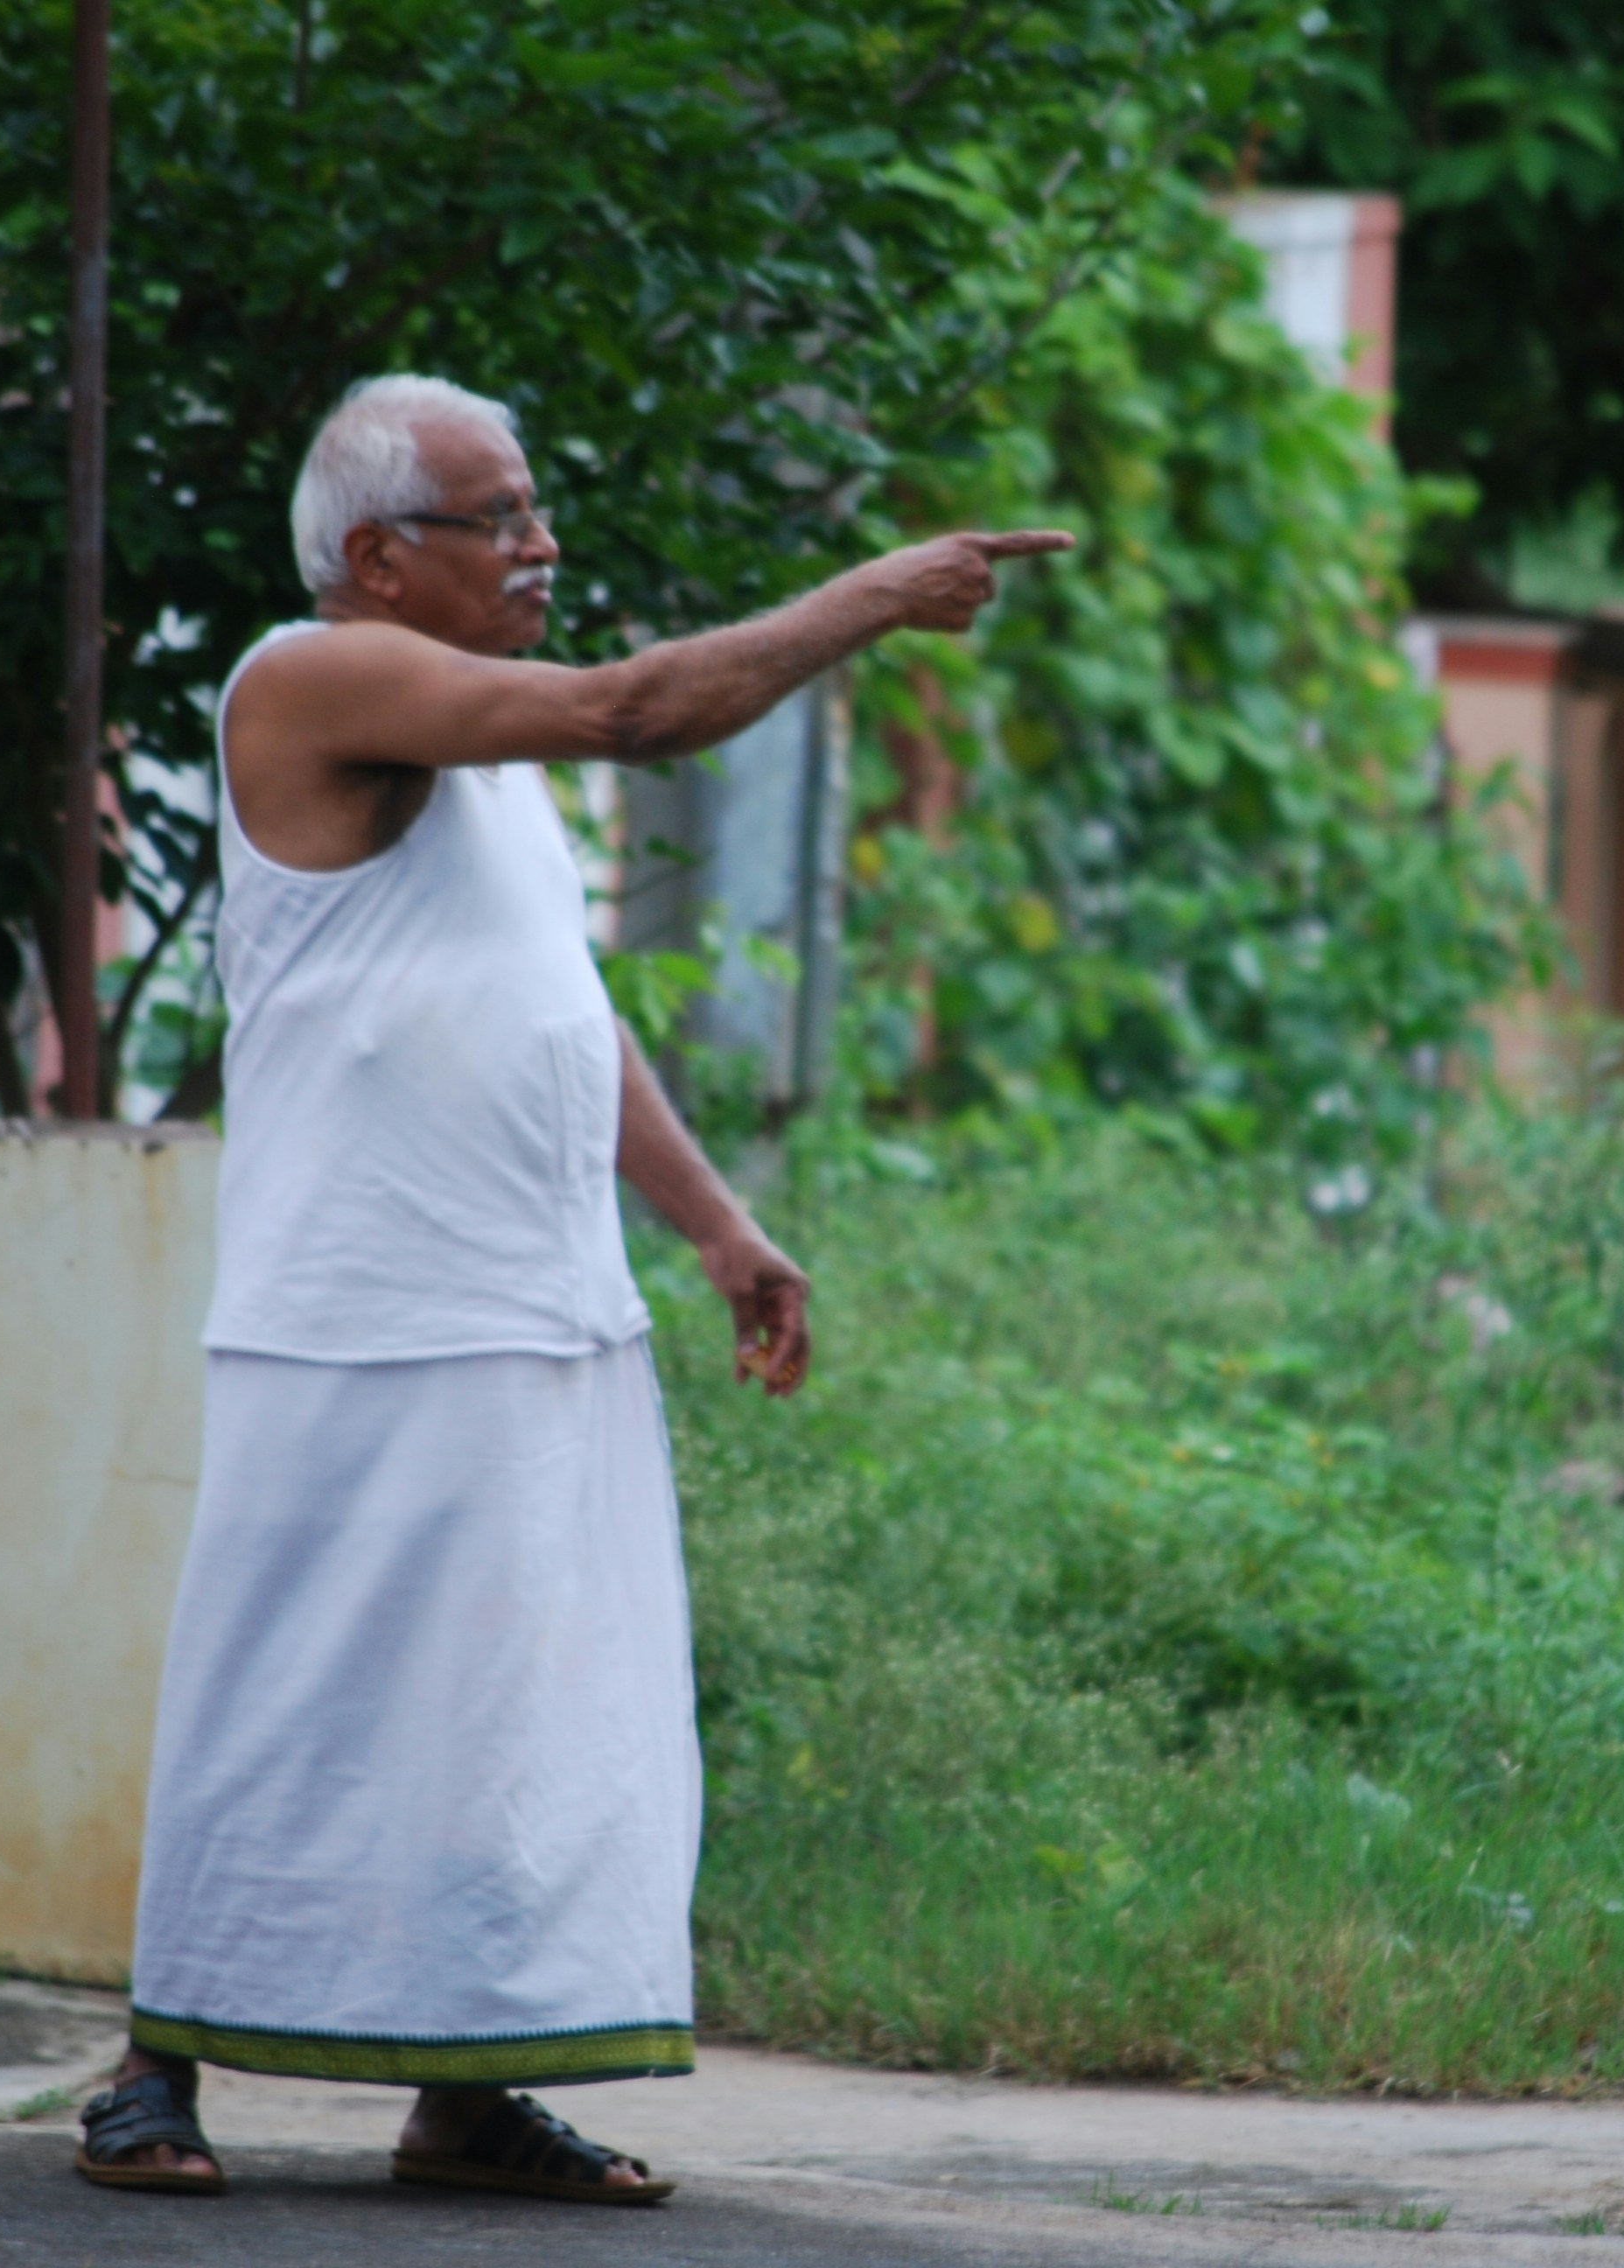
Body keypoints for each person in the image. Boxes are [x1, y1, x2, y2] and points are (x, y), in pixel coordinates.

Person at [73, 374, 1068, 2203]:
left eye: (539, 512)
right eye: (498, 519)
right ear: (377, 559)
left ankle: (470, 2093)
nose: (540, 548)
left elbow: (551, 1004)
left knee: (515, 1724)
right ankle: (154, 2069)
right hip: (356, 1313)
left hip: (535, 1300)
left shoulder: (477, 755)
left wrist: (708, 1223)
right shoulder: (310, 677)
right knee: (285, 1688)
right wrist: (868, 596)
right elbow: (638, 709)